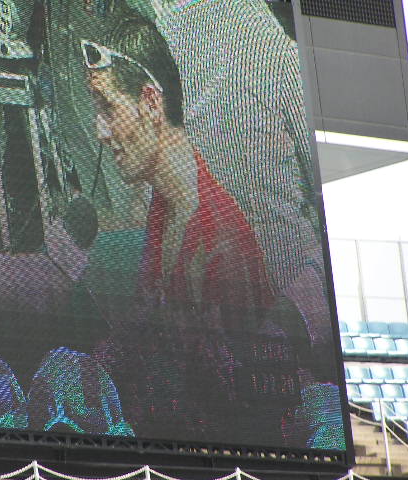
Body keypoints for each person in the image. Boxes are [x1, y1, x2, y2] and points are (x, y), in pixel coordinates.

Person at [81, 16, 306, 442]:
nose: (100, 131)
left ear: (151, 103)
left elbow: (229, 416)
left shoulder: (217, 244)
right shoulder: (167, 205)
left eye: (107, 108)